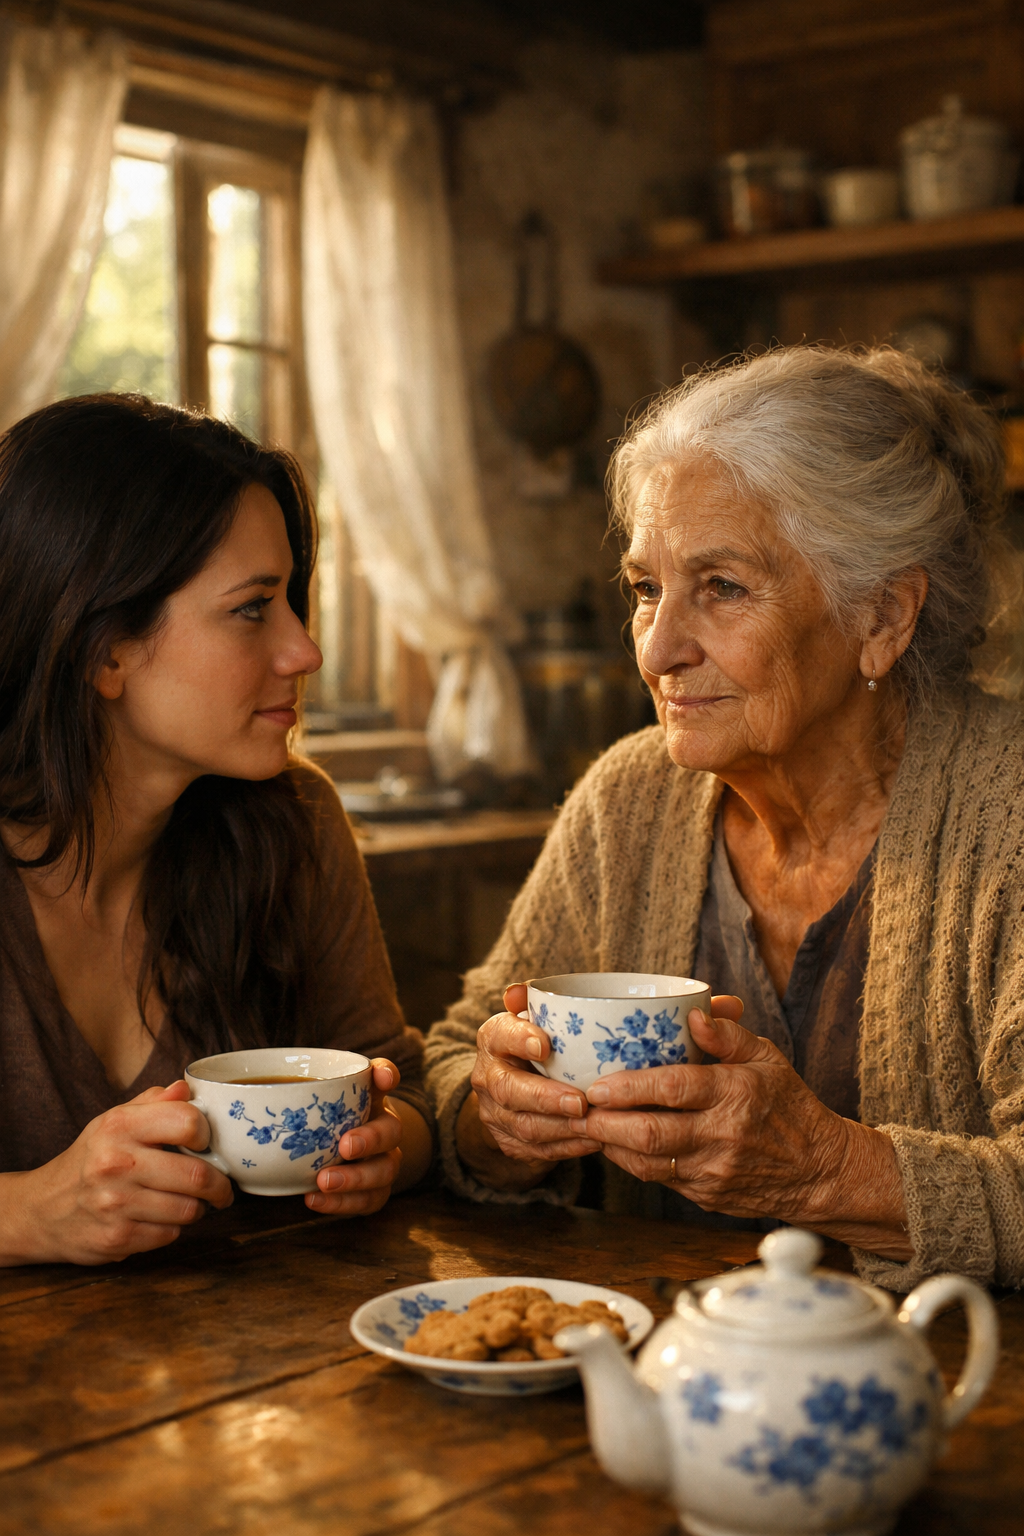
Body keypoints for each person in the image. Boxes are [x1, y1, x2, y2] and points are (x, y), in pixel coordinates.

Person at [425, 344, 1024, 1291]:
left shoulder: (1010, 820)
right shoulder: (630, 801)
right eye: (646, 588)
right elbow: (457, 1058)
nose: (659, 649)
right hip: (654, 1377)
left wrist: (828, 1169)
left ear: (882, 615)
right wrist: (496, 1118)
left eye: (723, 588)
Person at [0, 395, 433, 1266]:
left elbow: (405, 1098)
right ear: (105, 649)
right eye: (252, 608)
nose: (303, 650)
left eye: (292, 601)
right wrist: (28, 1214)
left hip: (259, 1380)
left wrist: (386, 1152)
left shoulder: (294, 823)